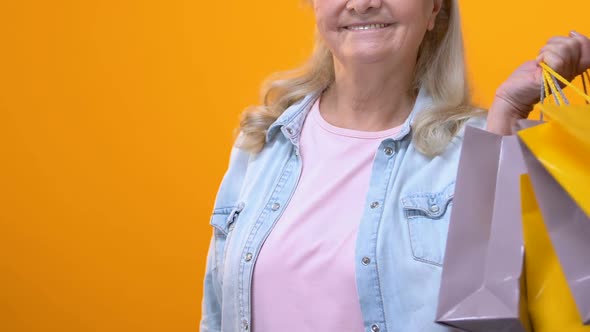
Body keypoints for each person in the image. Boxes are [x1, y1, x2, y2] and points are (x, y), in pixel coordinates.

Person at [200, 0, 590, 331]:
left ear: (434, 7)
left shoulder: (484, 144)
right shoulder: (261, 143)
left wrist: (507, 116)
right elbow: (215, 316)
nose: (363, 2)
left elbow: (496, 314)